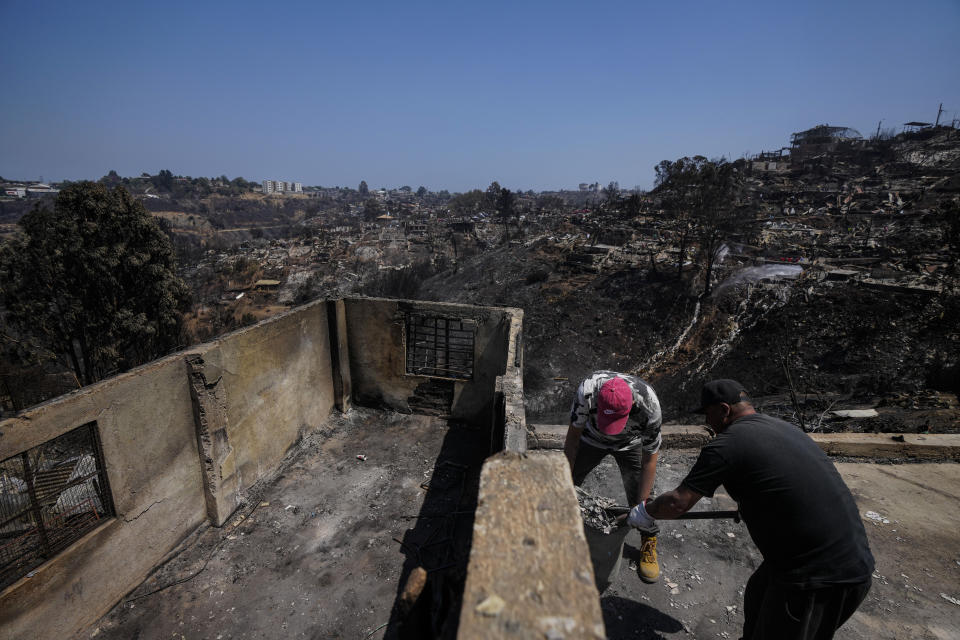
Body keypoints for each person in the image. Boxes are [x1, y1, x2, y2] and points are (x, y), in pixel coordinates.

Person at [627, 379, 874, 640]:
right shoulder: (782, 428)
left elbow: (678, 502)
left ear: (724, 409)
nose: (708, 424)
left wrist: (645, 511)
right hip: (811, 557)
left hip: (821, 577)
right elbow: (781, 481)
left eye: (708, 415)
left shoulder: (727, 444)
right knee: (758, 594)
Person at [564, 371, 663, 582]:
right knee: (565, 487)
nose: (610, 430)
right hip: (591, 439)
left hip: (630, 444)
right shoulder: (587, 391)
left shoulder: (649, 405)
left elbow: (649, 461)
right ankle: (560, 530)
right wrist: (564, 479)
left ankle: (648, 539)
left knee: (642, 498)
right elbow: (572, 440)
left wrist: (641, 509)